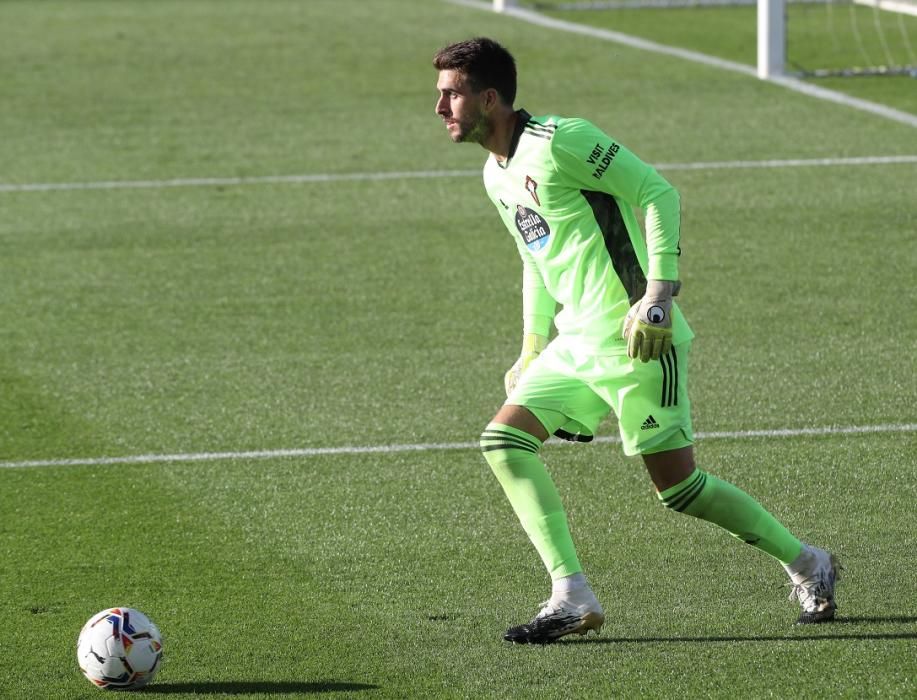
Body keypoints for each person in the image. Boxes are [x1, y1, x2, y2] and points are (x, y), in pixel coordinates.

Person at [432, 37, 841, 644]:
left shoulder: (562, 140)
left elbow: (657, 192)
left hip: (637, 338)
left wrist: (657, 295)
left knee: (679, 490)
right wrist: (530, 345)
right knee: (504, 441)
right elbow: (535, 256)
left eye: (452, 94)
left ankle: (809, 562)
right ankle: (571, 595)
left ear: (488, 98)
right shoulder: (495, 173)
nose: (440, 107)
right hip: (575, 342)